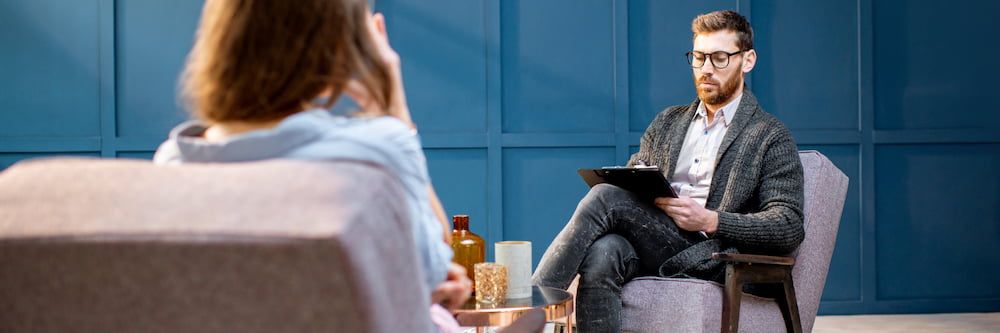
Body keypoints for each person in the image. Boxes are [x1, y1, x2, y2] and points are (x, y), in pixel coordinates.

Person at [151, 0, 479, 330]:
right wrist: (396, 113)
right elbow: (438, 266)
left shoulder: (172, 163)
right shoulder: (375, 149)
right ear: (336, 47)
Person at [532, 10, 805, 332]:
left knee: (605, 196)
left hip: (711, 254)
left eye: (719, 58)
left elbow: (788, 225)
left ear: (747, 60)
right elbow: (637, 175)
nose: (705, 70)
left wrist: (711, 219)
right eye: (699, 57)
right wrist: (634, 180)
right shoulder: (668, 122)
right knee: (605, 251)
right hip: (656, 242)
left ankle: (527, 315)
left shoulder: (770, 135)